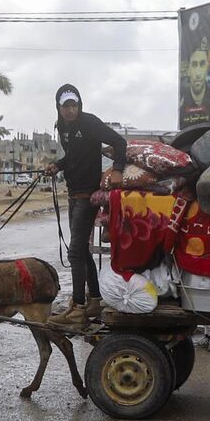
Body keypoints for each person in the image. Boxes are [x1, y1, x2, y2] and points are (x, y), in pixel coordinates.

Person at [45, 83, 127, 323]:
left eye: (74, 105)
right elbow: (72, 155)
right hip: (73, 192)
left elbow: (119, 142)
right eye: (66, 106)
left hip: (87, 195)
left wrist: (119, 170)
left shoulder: (90, 122)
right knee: (81, 251)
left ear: (79, 104)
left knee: (75, 253)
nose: (71, 110)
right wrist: (57, 165)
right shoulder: (63, 127)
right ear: (59, 108)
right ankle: (94, 300)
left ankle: (78, 308)